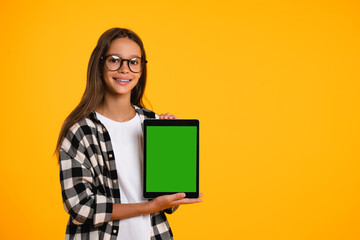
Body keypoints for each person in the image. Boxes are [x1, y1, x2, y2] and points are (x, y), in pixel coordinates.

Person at [55, 27, 203, 240]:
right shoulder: (80, 132)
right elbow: (80, 207)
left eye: (134, 62)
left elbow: (167, 201)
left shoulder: (153, 123)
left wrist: (174, 148)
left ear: (141, 70)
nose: (125, 69)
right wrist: (149, 206)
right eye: (115, 60)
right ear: (99, 65)